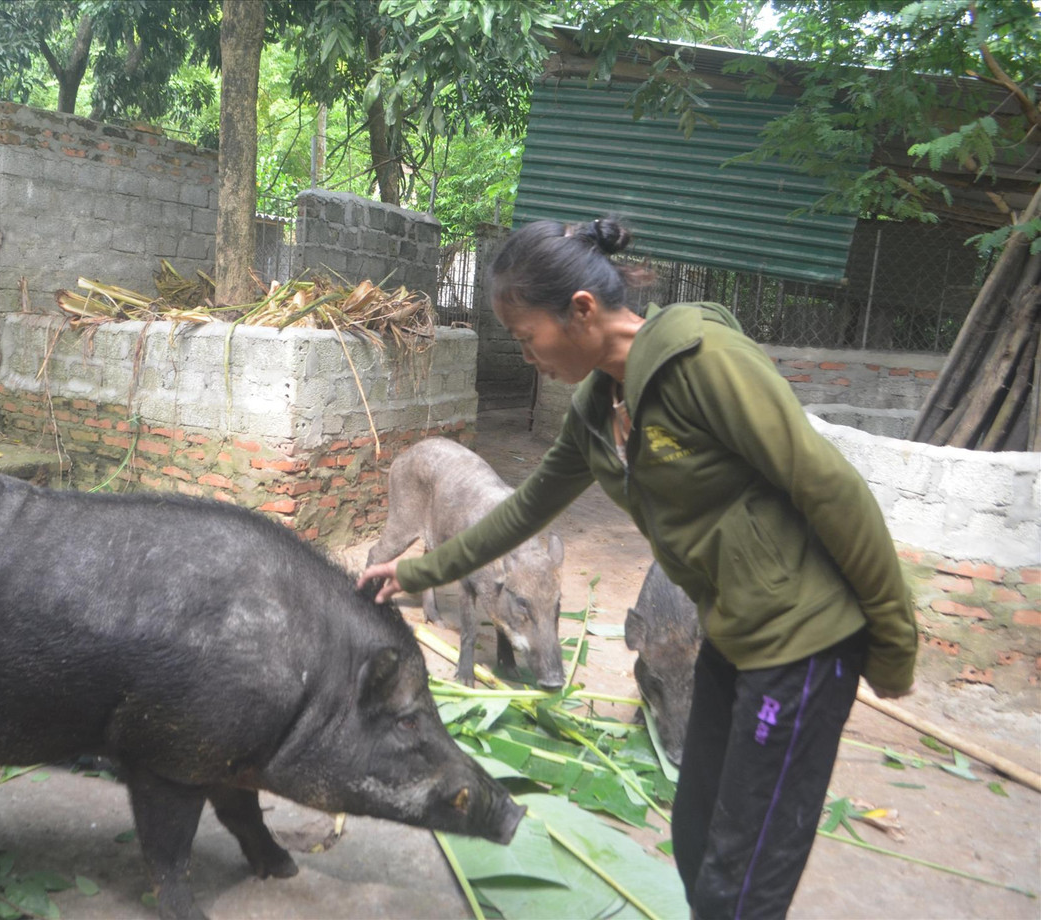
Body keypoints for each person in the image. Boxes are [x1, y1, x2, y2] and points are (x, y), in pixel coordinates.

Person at [357, 217, 917, 919]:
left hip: (803, 645)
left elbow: (831, 489)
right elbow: (525, 508)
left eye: (529, 339)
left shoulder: (705, 361)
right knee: (693, 835)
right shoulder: (597, 407)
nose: (527, 358)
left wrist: (893, 641)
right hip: (732, 635)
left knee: (740, 878)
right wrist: (413, 572)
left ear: (582, 312)